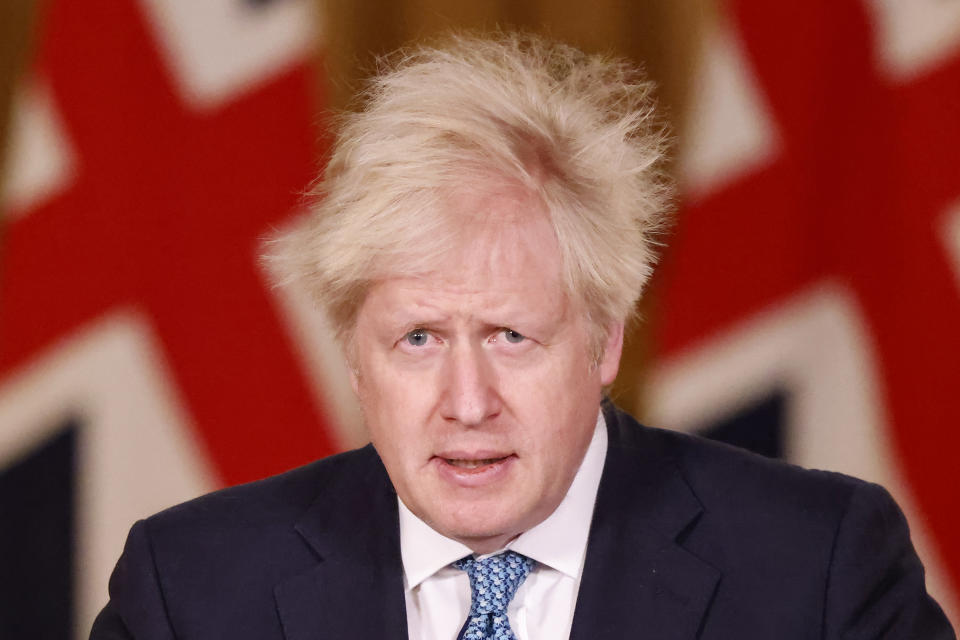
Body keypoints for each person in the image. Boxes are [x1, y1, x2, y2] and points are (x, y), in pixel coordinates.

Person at [90, 33, 955, 640]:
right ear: (355, 353)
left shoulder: (820, 570)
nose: (468, 405)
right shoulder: (189, 591)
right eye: (419, 339)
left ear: (606, 340)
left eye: (510, 335)